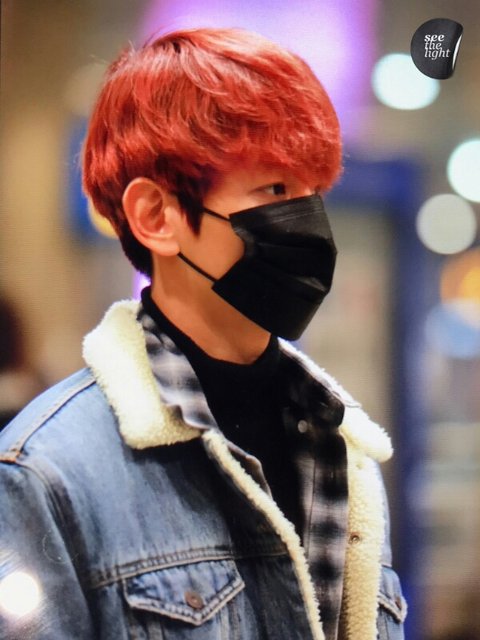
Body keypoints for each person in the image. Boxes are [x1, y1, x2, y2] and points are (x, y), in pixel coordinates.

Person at [0, 27, 407, 640]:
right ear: (155, 216)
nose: (310, 224)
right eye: (275, 190)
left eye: (315, 193)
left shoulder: (345, 451)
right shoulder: (48, 473)